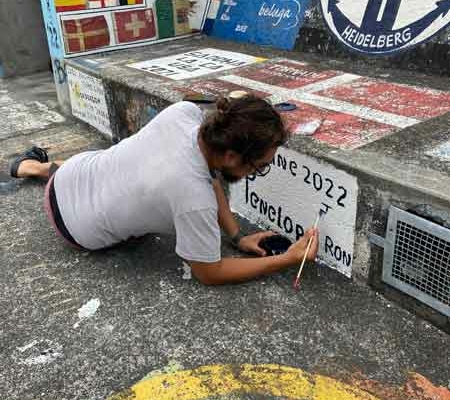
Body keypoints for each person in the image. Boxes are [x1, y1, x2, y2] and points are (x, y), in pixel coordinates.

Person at [10, 95, 319, 285]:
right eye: (259, 166)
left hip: (72, 175)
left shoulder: (184, 113)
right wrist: (286, 260)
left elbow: (211, 174)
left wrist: (237, 237)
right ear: (231, 156)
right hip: (77, 231)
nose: (257, 172)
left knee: (119, 166)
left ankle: (31, 167)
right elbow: (209, 272)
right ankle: (33, 168)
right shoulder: (193, 200)